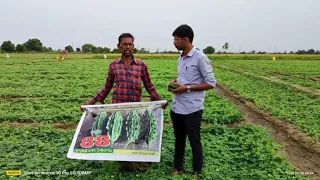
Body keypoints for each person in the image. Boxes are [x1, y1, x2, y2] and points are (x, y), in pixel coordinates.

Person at [81, 33, 168, 172]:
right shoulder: (113, 65)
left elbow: (149, 86)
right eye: (124, 44)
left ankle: (139, 164)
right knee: (120, 137)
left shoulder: (141, 65)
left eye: (130, 44)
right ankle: (125, 164)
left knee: (135, 136)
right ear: (119, 46)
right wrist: (90, 102)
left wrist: (159, 100)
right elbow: (106, 88)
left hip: (135, 108)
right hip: (118, 109)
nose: (128, 47)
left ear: (133, 46)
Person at [168, 24, 217, 178]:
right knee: (179, 139)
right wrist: (176, 82)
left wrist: (187, 88)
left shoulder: (201, 58)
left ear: (186, 39)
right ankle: (178, 167)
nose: (174, 43)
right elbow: (186, 78)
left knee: (194, 140)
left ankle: (197, 171)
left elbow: (211, 83)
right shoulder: (181, 58)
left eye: (176, 40)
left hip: (193, 108)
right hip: (178, 107)